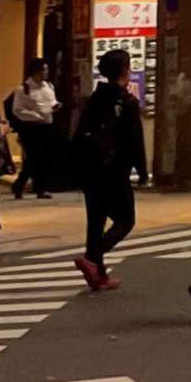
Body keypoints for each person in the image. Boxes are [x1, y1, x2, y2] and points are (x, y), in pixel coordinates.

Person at [69, 49, 146, 292]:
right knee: (126, 219)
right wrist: (142, 171)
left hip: (90, 169)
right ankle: (92, 258)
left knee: (96, 220)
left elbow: (78, 135)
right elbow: (135, 140)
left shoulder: (94, 99)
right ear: (125, 70)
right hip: (115, 169)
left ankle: (98, 276)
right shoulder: (127, 102)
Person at [6, 63, 58, 201]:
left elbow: (52, 102)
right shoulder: (23, 89)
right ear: (36, 71)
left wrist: (55, 107)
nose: (47, 72)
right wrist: (35, 115)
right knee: (33, 158)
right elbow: (17, 110)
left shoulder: (49, 86)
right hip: (31, 127)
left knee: (44, 158)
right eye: (44, 69)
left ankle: (35, 187)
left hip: (47, 125)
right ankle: (28, 185)